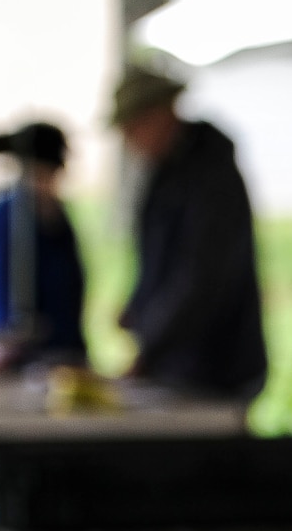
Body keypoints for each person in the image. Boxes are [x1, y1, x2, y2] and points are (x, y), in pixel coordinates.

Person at [111, 67, 268, 398]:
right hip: (178, 365)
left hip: (215, 368)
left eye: (133, 126)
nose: (129, 138)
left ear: (160, 113)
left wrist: (151, 345)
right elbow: (158, 258)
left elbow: (201, 278)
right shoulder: (165, 172)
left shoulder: (210, 175)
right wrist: (139, 306)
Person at [0, 121, 87, 365]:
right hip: (17, 355)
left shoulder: (59, 218)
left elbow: (73, 285)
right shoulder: (9, 219)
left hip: (63, 349)